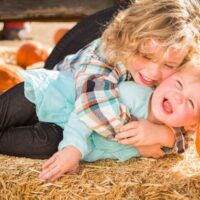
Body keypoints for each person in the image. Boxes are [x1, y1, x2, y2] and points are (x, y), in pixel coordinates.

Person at [0, 0, 199, 161]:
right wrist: (139, 140)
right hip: (50, 96)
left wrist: (164, 135)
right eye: (146, 57)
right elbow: (93, 103)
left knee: (47, 145)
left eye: (169, 65)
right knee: (15, 106)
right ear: (130, 38)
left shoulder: (176, 86)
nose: (154, 72)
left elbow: (187, 129)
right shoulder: (108, 51)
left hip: (65, 128)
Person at [16, 60, 200, 181]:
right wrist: (73, 149)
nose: (178, 97)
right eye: (178, 84)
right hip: (57, 106)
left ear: (192, 124)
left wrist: (160, 134)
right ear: (164, 80)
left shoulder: (172, 133)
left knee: (36, 143)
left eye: (191, 103)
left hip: (55, 135)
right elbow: (86, 111)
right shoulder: (133, 94)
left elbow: (182, 145)